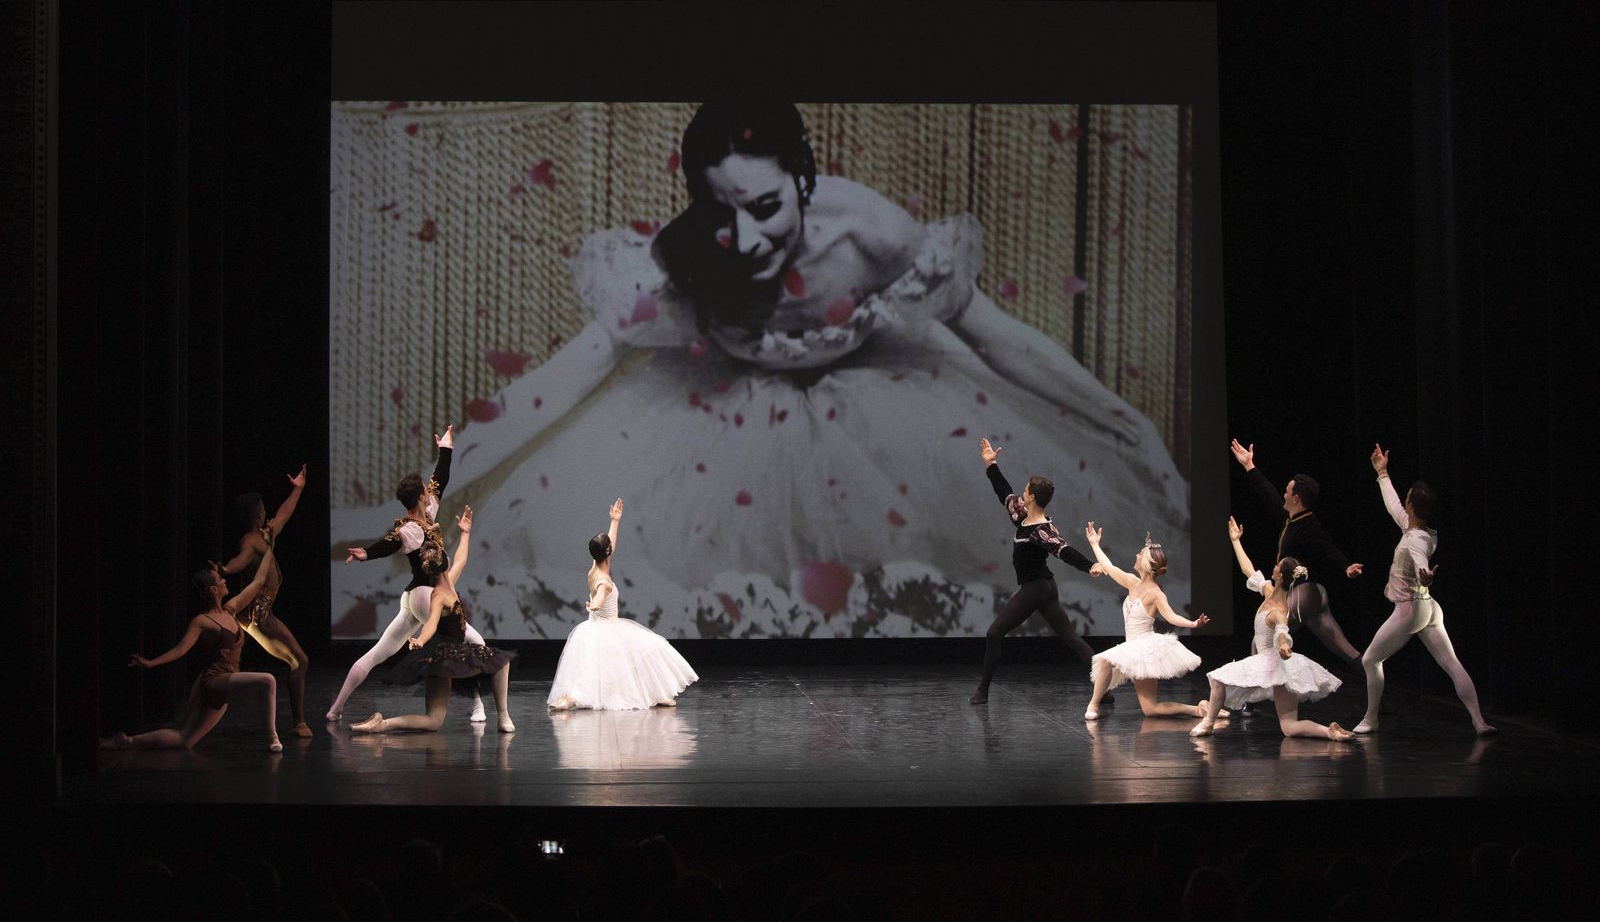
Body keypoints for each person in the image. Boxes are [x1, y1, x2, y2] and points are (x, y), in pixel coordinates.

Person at [331, 101, 1188, 639]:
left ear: (804, 181)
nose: (744, 240)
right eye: (720, 210)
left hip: (884, 417)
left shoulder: (870, 234)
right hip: (715, 424)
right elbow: (557, 382)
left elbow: (1004, 343)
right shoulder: (685, 264)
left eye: (767, 207)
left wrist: (1130, 426)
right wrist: (424, 500)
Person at [329, 425, 489, 724]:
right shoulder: (410, 530)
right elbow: (389, 542)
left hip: (412, 598)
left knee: (379, 652)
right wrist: (366, 553)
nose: (431, 492)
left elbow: (440, 478)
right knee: (471, 640)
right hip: (425, 595)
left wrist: (446, 450)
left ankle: (336, 707)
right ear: (418, 498)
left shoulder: (428, 514)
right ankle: (478, 706)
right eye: (425, 492)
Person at [1353, 444, 1494, 735]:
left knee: (1370, 658)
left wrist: (1426, 576)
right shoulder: (1416, 529)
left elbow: (1419, 561)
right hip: (1429, 608)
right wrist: (1382, 473)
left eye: (1407, 499)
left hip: (1411, 609)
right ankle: (1479, 722)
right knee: (1451, 663)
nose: (1403, 502)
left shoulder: (1416, 540)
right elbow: (1393, 506)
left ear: (1412, 507)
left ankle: (1371, 718)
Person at [102, 543, 283, 752]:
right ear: (214, 590)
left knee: (184, 739)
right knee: (268, 680)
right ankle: (273, 738)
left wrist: (270, 546)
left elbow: (259, 581)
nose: (225, 581)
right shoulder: (202, 621)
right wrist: (152, 663)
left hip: (225, 681)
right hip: (215, 680)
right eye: (220, 580)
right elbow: (181, 649)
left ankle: (126, 741)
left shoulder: (230, 610)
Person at [352, 506, 517, 733]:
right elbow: (430, 623)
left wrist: (465, 533)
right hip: (450, 655)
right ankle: (503, 717)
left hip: (441, 658)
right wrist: (421, 639)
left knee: (433, 721)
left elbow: (462, 558)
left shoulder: (447, 582)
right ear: (443, 564)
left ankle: (383, 724)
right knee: (501, 662)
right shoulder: (439, 595)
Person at [969, 437, 1105, 705]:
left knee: (994, 634)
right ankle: (1106, 691)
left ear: (1031, 496)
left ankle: (982, 691)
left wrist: (1090, 566)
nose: (1021, 493)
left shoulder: (1040, 529)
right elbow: (1004, 493)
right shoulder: (1023, 517)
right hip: (1044, 587)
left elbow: (1063, 550)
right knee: (1070, 637)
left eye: (1025, 491)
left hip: (1036, 588)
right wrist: (991, 464)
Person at [1191, 518, 1350, 740]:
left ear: (1280, 575)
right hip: (1279, 667)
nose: (1273, 566)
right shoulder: (1268, 592)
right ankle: (1329, 732)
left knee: (1217, 679)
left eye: (1277, 565)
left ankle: (1208, 722)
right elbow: (1248, 569)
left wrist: (1284, 645)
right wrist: (1235, 540)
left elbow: (1282, 631)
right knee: (1289, 727)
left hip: (1269, 660)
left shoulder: (1278, 609)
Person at [548, 499, 698, 710]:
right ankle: (571, 699)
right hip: (607, 627)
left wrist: (615, 521)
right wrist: (595, 605)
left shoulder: (595, 567)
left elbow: (610, 547)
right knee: (650, 649)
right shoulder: (604, 581)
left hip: (595, 627)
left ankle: (656, 694)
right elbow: (600, 596)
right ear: (607, 552)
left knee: (610, 666)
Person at [1229, 439, 1364, 669]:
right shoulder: (1291, 520)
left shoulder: (1310, 525)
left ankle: (1250, 703)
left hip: (1306, 592)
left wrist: (1346, 566)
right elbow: (1268, 494)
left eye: (1287, 491)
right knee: (1344, 649)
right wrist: (1249, 466)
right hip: (1311, 597)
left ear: (1296, 499)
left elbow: (1326, 547)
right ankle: (1381, 688)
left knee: (1261, 636)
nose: (1283, 494)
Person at [1081, 522, 1214, 721]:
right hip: (1132, 646)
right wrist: (1094, 544)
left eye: (1140, 554)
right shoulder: (1132, 582)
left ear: (1146, 563)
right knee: (1147, 706)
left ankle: (1198, 710)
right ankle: (1198, 709)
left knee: (1147, 705)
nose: (1136, 555)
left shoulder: (1155, 594)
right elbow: (1109, 567)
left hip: (1144, 648)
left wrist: (1193, 624)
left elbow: (1171, 617)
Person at [219, 463, 311, 738]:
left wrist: (298, 490)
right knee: (299, 660)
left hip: (258, 612)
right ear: (254, 512)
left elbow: (283, 515)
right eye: (261, 507)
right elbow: (240, 560)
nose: (265, 510)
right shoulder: (250, 540)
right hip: (256, 615)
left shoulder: (265, 535)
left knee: (296, 661)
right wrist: (225, 570)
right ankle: (299, 722)